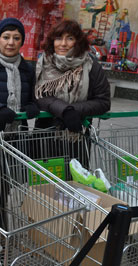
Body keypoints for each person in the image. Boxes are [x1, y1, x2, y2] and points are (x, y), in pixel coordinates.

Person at [35, 19, 110, 167]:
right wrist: (64, 110)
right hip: (45, 134)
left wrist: (73, 111)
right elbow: (38, 95)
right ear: (52, 41)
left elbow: (103, 101)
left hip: (77, 136)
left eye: (70, 38)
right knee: (42, 187)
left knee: (73, 183)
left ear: (77, 42)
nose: (63, 43)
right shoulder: (43, 63)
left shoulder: (90, 65)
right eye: (58, 38)